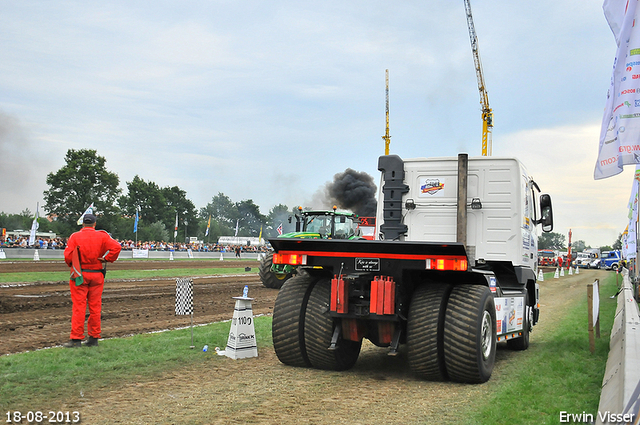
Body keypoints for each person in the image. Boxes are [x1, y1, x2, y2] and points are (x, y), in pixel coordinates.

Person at [62, 214, 122, 348]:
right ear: (94, 224)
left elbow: (67, 256)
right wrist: (107, 259)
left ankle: (76, 339)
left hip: (80, 275)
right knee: (95, 307)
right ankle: (94, 337)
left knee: (79, 307)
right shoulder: (102, 235)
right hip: (97, 274)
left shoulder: (75, 236)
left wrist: (73, 264)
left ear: (83, 224)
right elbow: (117, 247)